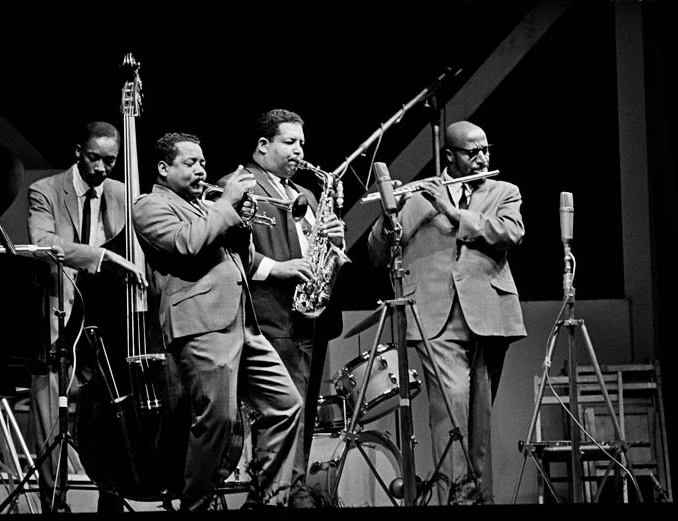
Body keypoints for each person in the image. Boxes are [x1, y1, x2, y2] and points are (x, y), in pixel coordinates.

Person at [132, 132, 303, 511]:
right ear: (163, 168)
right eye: (190, 163)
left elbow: (242, 257)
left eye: (203, 163)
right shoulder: (149, 206)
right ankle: (197, 505)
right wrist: (225, 204)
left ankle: (266, 500)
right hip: (202, 324)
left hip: (244, 322)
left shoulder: (206, 205)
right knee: (219, 422)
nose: (200, 170)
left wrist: (241, 224)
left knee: (286, 405)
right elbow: (186, 244)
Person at [367, 120, 526, 505]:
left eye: (486, 150)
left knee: (479, 420)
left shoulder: (503, 191)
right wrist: (396, 213)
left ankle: (477, 497)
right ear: (450, 155)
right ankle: (456, 499)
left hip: (489, 312)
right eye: (472, 152)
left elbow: (510, 233)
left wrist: (453, 213)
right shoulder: (420, 196)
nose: (482, 158)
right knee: (450, 410)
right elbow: (378, 252)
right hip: (434, 315)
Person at [222, 108, 345, 504]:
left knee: (303, 417)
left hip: (307, 319)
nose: (299, 151)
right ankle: (272, 497)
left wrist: (333, 241)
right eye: (289, 142)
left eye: (302, 144)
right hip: (267, 317)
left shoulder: (305, 195)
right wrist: (278, 268)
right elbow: (230, 253)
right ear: (263, 146)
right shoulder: (238, 186)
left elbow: (315, 250)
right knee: (278, 418)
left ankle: (294, 492)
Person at [27, 120, 146, 513]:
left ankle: (111, 499)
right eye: (94, 158)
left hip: (110, 321)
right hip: (59, 318)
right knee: (49, 419)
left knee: (112, 414)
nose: (101, 168)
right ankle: (53, 504)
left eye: (110, 161)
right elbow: (43, 243)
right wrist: (101, 256)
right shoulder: (45, 190)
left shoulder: (124, 193)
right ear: (79, 150)